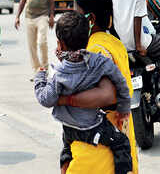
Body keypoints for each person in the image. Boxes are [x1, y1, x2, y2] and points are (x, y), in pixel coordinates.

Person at [34, 11, 132, 174]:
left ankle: (65, 168)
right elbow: (120, 82)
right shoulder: (100, 62)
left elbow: (46, 99)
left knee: (67, 149)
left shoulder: (59, 73)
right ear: (87, 39)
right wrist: (123, 108)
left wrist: (40, 78)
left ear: (60, 44)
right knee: (121, 143)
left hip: (69, 129)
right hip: (91, 128)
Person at [57, 0, 138, 174]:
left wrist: (65, 100)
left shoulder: (95, 49)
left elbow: (107, 94)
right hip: (117, 138)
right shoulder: (113, 42)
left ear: (91, 19)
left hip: (98, 153)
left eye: (77, 14)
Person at [15, 0, 55, 80]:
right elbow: (23, 0)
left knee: (41, 42)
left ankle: (44, 69)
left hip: (42, 16)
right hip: (29, 17)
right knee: (31, 46)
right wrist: (17, 16)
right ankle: (37, 71)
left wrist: (52, 16)